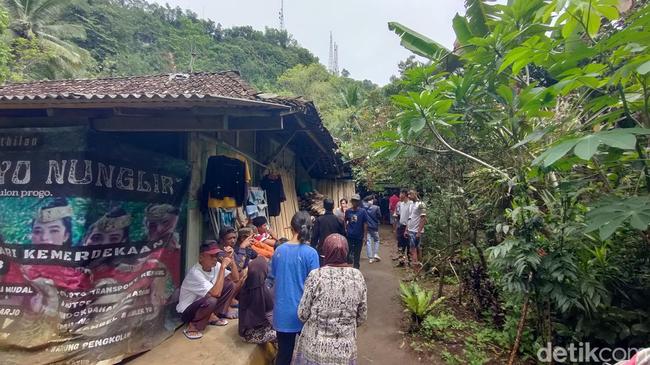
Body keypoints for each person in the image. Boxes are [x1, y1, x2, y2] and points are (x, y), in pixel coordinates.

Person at [293, 234, 368, 365]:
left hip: (315, 350)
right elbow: (361, 317)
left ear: (325, 251)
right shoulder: (357, 276)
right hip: (344, 351)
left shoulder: (316, 276)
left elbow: (302, 314)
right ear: (346, 252)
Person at [271, 211, 320, 365]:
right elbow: (315, 286)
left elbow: (273, 277)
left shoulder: (278, 251)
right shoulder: (311, 253)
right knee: (309, 356)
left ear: (291, 228)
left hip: (282, 312)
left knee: (284, 355)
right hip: (304, 313)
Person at [176, 241, 241, 339]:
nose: (215, 258)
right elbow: (216, 293)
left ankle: (212, 316)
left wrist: (231, 261)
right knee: (212, 299)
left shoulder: (216, 266)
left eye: (216, 255)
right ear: (201, 257)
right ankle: (193, 327)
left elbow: (235, 279)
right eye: (211, 256)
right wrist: (223, 267)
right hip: (186, 311)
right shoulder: (195, 273)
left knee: (230, 285)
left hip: (202, 305)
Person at [238, 256, 276, 344]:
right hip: (251, 334)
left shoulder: (246, 286)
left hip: (245, 330)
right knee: (281, 334)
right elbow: (270, 314)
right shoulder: (263, 291)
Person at [344, 194, 368, 269]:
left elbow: (365, 223)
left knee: (357, 255)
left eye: (356, 201)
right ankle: (347, 268)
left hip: (359, 236)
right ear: (351, 201)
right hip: (350, 236)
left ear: (359, 202)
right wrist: (346, 229)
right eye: (353, 201)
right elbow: (345, 220)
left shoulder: (362, 211)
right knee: (348, 253)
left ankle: (356, 269)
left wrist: (365, 236)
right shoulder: (348, 211)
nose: (354, 202)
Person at [404, 190, 427, 269]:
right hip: (410, 230)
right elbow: (410, 218)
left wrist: (419, 232)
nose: (409, 196)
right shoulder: (411, 205)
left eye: (411, 194)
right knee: (413, 249)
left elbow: (423, 219)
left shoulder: (421, 204)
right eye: (408, 194)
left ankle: (417, 269)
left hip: (416, 231)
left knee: (415, 249)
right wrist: (406, 229)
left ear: (416, 194)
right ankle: (417, 267)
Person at [394, 189, 411, 265]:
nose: (399, 196)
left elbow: (411, 217)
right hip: (401, 226)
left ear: (404, 194)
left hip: (409, 227)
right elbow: (399, 214)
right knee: (400, 244)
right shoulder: (400, 204)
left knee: (408, 244)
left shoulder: (410, 204)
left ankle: (410, 262)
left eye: (400, 194)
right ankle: (401, 261)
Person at [364, 195, 382, 263]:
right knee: (376, 240)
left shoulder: (364, 208)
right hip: (374, 227)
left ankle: (370, 258)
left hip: (367, 227)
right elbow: (379, 216)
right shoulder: (377, 207)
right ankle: (375, 254)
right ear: (372, 200)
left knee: (368, 241)